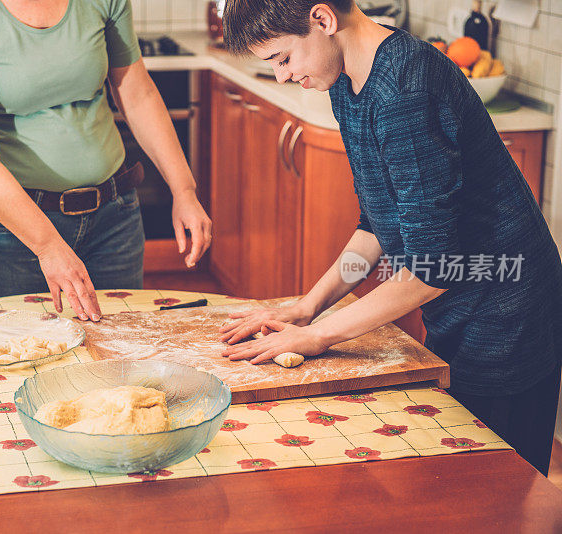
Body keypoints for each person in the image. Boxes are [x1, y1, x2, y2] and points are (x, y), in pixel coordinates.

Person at [218, 0, 562, 475]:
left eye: (282, 58)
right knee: (458, 473)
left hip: (508, 306)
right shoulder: (345, 80)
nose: (281, 76)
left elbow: (431, 272)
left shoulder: (405, 88)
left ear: (323, 19)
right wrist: (307, 306)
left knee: (497, 486)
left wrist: (318, 335)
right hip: (462, 298)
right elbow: (377, 225)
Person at [0, 0, 212, 322]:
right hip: (16, 234)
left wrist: (184, 189)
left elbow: (137, 92)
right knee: (26, 355)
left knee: (116, 359)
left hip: (114, 216)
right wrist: (48, 245)